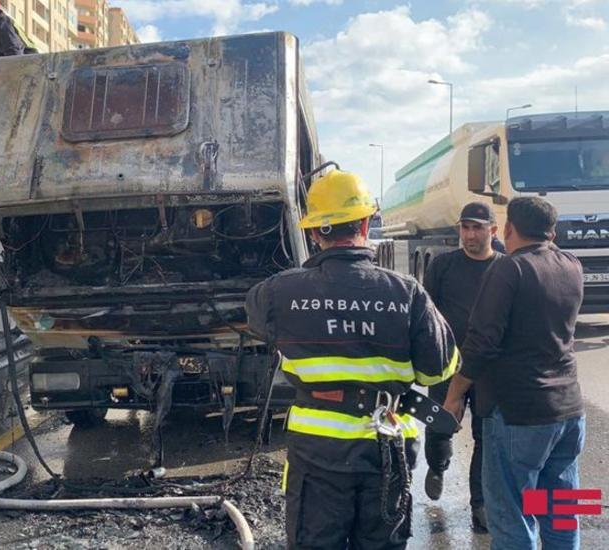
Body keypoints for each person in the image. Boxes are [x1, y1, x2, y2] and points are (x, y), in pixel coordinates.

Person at [246, 167, 460, 549]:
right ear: (366, 222)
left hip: (317, 450)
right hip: (388, 446)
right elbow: (438, 370)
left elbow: (258, 322)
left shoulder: (278, 292)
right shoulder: (407, 293)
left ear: (314, 232)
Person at [443, 197, 585, 550]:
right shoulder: (571, 264)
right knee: (559, 511)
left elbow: (481, 343)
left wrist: (455, 393)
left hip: (519, 416)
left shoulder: (509, 268)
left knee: (512, 516)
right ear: (551, 231)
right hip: (568, 413)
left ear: (507, 229)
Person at [422, 202, 503, 533]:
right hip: (447, 366)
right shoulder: (443, 266)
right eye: (465, 228)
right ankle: (437, 465)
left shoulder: (505, 268)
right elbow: (427, 315)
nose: (470, 235)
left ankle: (479, 505)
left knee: (486, 437)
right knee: (440, 426)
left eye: (477, 228)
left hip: (488, 368)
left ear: (493, 231)